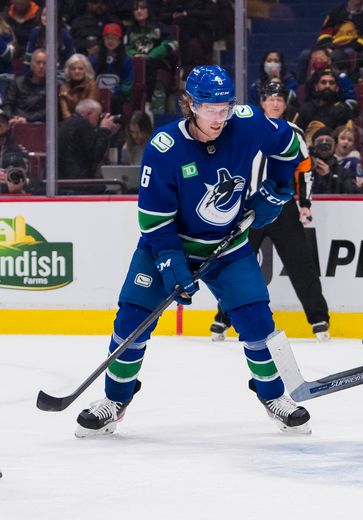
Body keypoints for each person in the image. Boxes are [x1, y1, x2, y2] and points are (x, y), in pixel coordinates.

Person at [74, 66, 311, 438]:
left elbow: (289, 147)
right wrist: (172, 264)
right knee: (133, 319)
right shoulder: (165, 147)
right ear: (190, 104)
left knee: (256, 321)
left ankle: (274, 396)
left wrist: (278, 189)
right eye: (209, 108)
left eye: (225, 107)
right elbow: (154, 219)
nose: (219, 117)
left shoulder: (247, 123)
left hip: (229, 246)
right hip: (167, 245)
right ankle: (115, 401)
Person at [211, 81, 331, 343]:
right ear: (262, 102)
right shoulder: (243, 128)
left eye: (279, 99)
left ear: (285, 104)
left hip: (281, 205)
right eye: (270, 98)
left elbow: (305, 169)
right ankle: (223, 317)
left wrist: (305, 204)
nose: (275, 103)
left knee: (300, 262)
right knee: (236, 263)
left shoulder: (294, 132)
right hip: (247, 206)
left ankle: (319, 319)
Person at [125, 0, 178, 115]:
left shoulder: (160, 27)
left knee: (153, 68)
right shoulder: (130, 30)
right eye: (136, 9)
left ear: (149, 10)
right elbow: (125, 47)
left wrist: (150, 55)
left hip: (158, 62)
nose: (139, 11)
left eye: (142, 8)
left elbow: (172, 44)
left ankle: (152, 107)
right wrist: (135, 55)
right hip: (135, 63)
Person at [57, 98, 120, 190]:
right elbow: (96, 154)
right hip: (77, 183)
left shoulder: (66, 124)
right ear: (88, 114)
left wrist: (105, 134)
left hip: (63, 180)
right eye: (98, 116)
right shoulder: (82, 124)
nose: (98, 119)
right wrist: (104, 130)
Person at [91, 23, 133, 116]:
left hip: (118, 96)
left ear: (119, 40)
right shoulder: (94, 59)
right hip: (96, 93)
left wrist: (114, 91)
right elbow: (89, 79)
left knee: (116, 100)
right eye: (107, 38)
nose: (110, 41)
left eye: (114, 38)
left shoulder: (127, 60)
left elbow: (128, 84)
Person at [296, 68, 353, 134]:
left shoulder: (344, 110)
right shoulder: (306, 108)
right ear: (316, 87)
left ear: (337, 88)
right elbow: (296, 132)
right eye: (323, 82)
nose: (327, 86)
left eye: (331, 83)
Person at [2, 48, 46, 125]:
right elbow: (7, 105)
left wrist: (27, 119)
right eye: (38, 62)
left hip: (37, 124)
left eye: (45, 63)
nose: (41, 66)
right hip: (14, 122)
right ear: (32, 64)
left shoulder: (52, 87)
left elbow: (47, 111)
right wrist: (13, 118)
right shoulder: (17, 82)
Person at [309, 126, 360, 193]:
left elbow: (351, 193)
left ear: (335, 146)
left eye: (328, 141)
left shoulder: (345, 173)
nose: (324, 144)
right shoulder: (302, 170)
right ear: (314, 147)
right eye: (320, 141)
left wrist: (328, 177)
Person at [58, 53, 100, 120]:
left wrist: (69, 98)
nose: (76, 71)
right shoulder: (64, 87)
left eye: (80, 69)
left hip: (87, 122)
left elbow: (87, 111)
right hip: (69, 123)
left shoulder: (92, 85)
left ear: (86, 70)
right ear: (69, 71)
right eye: (73, 69)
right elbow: (65, 113)